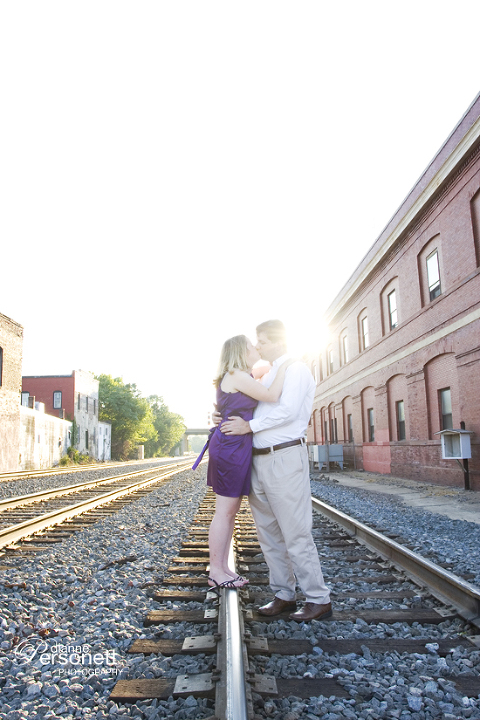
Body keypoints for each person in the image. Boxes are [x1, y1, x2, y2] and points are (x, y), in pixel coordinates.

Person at [219, 320, 332, 622]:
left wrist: (249, 426)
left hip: (283, 456)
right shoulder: (267, 373)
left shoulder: (296, 369)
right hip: (257, 459)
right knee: (268, 534)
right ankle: (284, 593)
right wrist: (226, 413)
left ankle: (318, 599)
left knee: (295, 532)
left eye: (262, 342)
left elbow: (289, 411)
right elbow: (254, 404)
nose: (257, 348)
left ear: (280, 342)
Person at [196, 334, 292, 594]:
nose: (256, 347)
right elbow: (272, 395)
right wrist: (286, 366)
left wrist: (275, 363)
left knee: (230, 511)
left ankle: (222, 568)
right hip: (230, 446)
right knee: (225, 512)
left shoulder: (240, 375)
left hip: (235, 445)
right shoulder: (237, 375)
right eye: (252, 346)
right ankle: (216, 571)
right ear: (241, 351)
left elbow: (263, 370)